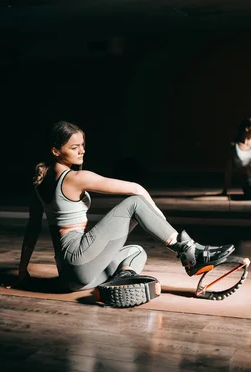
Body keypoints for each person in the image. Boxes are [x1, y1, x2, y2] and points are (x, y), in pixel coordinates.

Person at [17, 120, 236, 293]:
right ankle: (189, 252)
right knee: (134, 203)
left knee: (135, 252)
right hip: (79, 261)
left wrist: (22, 271)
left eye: (83, 145)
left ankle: (122, 278)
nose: (82, 151)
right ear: (56, 151)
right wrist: (164, 227)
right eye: (74, 147)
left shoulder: (39, 182)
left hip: (70, 278)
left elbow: (32, 229)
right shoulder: (76, 177)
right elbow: (136, 189)